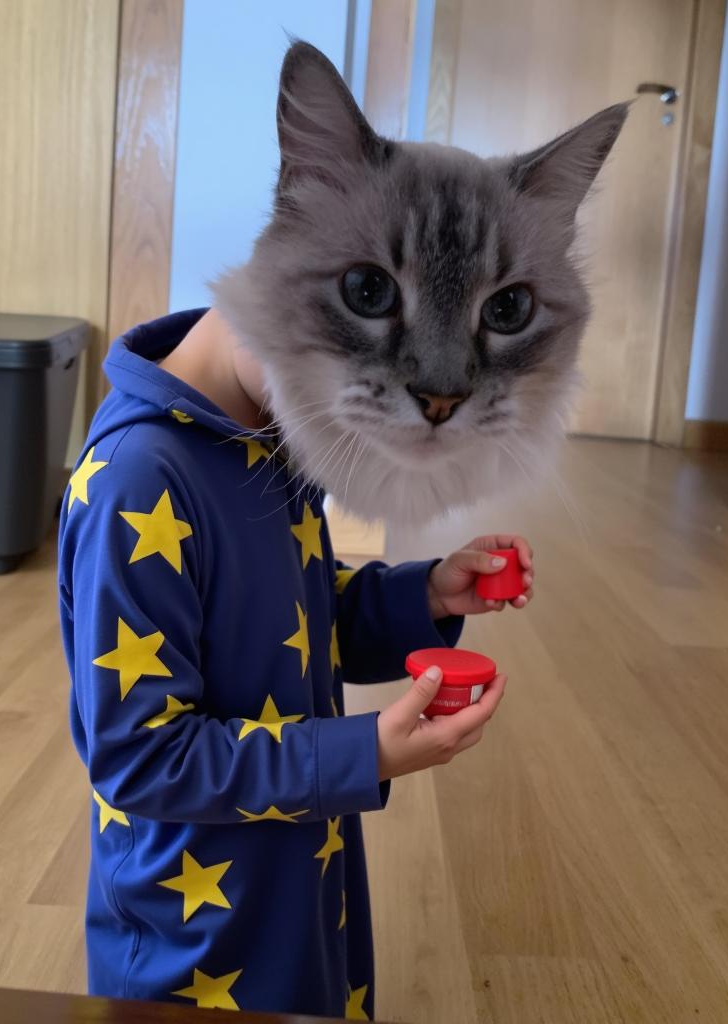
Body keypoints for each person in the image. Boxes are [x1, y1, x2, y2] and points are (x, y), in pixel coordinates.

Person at [58, 304, 532, 1018]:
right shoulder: (136, 479)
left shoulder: (269, 428)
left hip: (298, 870)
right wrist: (362, 753)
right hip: (192, 938)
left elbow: (304, 610)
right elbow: (140, 757)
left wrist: (427, 595)